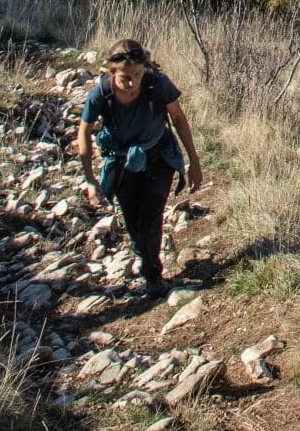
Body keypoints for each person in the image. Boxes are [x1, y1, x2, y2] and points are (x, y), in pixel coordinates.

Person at [76, 39, 204, 298]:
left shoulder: (157, 83)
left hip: (158, 155)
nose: (133, 82)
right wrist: (90, 180)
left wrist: (193, 160)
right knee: (132, 220)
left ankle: (152, 274)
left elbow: (178, 118)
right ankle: (145, 258)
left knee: (150, 214)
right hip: (123, 162)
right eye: (125, 78)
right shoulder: (101, 93)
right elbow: (84, 132)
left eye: (137, 74)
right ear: (112, 72)